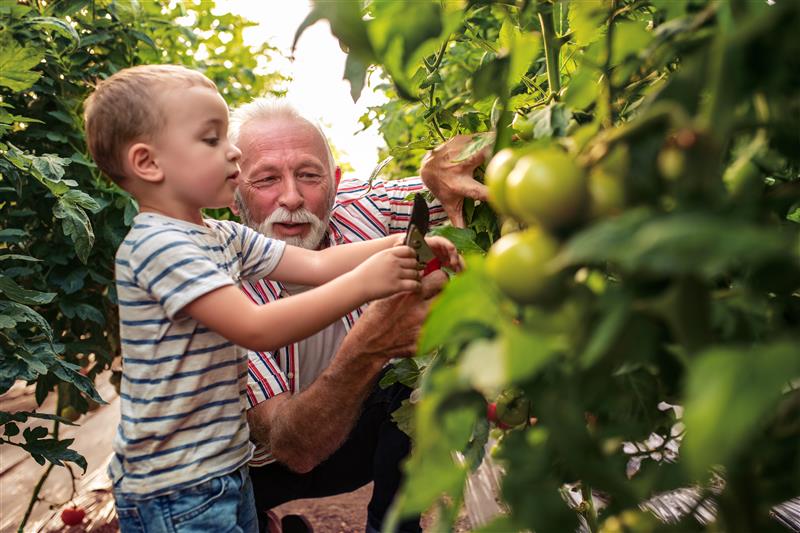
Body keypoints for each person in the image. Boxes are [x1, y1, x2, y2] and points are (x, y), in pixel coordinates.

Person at [82, 65, 460, 533]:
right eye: (212, 140)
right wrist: (367, 285)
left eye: (308, 175)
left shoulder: (221, 236)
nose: (233, 153)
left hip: (224, 467)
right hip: (177, 486)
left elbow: (320, 265)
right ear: (149, 163)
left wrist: (410, 242)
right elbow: (255, 327)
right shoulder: (160, 247)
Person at [228, 99, 488, 532]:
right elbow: (291, 445)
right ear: (233, 196)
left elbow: (459, 179)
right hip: (256, 468)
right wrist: (370, 347)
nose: (291, 198)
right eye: (267, 179)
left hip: (349, 442)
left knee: (410, 383)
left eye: (309, 175)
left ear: (333, 182)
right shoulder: (220, 288)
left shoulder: (369, 211)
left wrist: (443, 164)